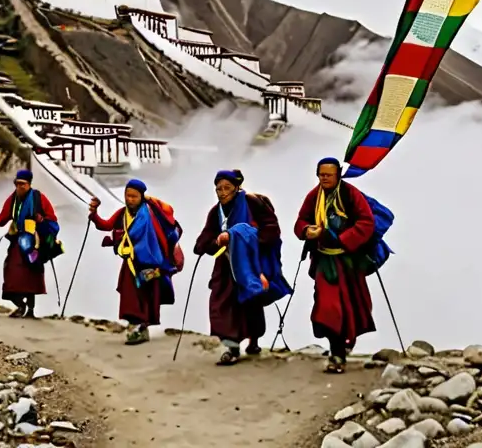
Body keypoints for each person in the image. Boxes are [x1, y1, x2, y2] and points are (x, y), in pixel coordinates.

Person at [194, 169, 288, 365]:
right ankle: (232, 347)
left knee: (250, 303)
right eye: (218, 188)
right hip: (226, 265)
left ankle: (253, 340)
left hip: (251, 263)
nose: (222, 192)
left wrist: (239, 238)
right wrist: (213, 244)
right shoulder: (216, 212)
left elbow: (271, 230)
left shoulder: (253, 203)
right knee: (221, 304)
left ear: (237, 188)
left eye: (227, 188)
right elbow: (205, 239)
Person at [294, 157, 376, 374]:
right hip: (324, 262)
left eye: (329, 175)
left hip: (347, 261)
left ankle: (342, 347)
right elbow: (301, 221)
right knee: (328, 307)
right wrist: (306, 231)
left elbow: (366, 222)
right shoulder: (315, 196)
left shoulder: (350, 194)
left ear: (338, 174)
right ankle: (336, 352)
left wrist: (342, 239)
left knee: (351, 306)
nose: (325, 178)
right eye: (321, 175)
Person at [88, 179, 185, 344]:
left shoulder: (152, 215)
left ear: (141, 197)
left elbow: (164, 235)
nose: (130, 200)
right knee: (130, 297)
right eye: (128, 196)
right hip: (131, 264)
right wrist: (94, 214)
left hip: (150, 263)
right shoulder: (122, 214)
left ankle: (141, 329)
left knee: (147, 297)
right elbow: (105, 225)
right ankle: (137, 328)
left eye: (134, 196)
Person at [0, 168, 61, 318]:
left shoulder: (39, 198)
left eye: (23, 184)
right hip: (17, 242)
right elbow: (4, 216)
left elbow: (52, 219)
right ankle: (21, 304)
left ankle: (30, 310)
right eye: (17, 184)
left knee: (31, 275)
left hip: (34, 243)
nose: (20, 187)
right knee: (12, 274)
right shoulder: (13, 199)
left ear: (29, 184)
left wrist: (41, 220)